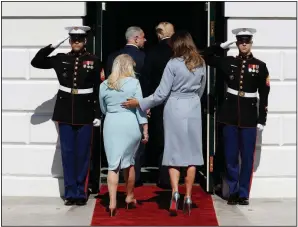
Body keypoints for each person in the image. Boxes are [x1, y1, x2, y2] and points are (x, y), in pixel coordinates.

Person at [122, 31, 206, 216]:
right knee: (192, 153)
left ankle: (175, 192)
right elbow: (201, 89)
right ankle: (189, 196)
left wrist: (141, 103)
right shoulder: (200, 62)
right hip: (192, 107)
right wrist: (192, 102)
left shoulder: (173, 63)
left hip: (174, 107)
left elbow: (161, 94)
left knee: (174, 151)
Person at [31, 26, 102, 206]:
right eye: (73, 39)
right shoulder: (61, 58)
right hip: (64, 111)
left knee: (83, 153)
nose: (76, 42)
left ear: (85, 41)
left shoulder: (94, 60)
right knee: (68, 153)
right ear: (69, 41)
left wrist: (97, 113)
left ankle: (81, 192)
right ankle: (70, 192)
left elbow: (97, 89)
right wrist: (55, 44)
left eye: (79, 39)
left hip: (85, 112)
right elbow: (36, 61)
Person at [203, 28, 270, 205]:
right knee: (231, 155)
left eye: (246, 41)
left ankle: (243, 193)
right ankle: (232, 191)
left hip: (249, 116)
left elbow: (264, 94)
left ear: (251, 43)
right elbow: (206, 57)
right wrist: (220, 46)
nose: (244, 44)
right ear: (237, 43)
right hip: (229, 115)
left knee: (247, 157)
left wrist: (262, 118)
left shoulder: (260, 66)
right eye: (240, 41)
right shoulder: (228, 61)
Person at [99, 54, 148, 216]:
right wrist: (145, 129)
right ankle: (129, 196)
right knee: (129, 163)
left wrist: (114, 112)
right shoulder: (134, 83)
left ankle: (112, 203)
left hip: (112, 123)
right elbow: (140, 108)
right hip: (130, 123)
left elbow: (103, 108)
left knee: (113, 165)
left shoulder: (105, 84)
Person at [105, 26, 147, 187]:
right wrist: (146, 104)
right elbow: (147, 82)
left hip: (114, 112)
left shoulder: (112, 56)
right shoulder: (143, 56)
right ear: (136, 38)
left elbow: (108, 83)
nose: (145, 40)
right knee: (135, 149)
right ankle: (133, 182)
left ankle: (116, 181)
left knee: (115, 148)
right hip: (136, 107)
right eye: (143, 37)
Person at [141, 22, 175, 189]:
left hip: (158, 101)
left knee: (162, 138)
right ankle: (174, 175)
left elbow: (146, 79)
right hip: (177, 101)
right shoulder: (178, 52)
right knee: (176, 139)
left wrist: (146, 102)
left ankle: (163, 176)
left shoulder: (152, 52)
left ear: (159, 35)